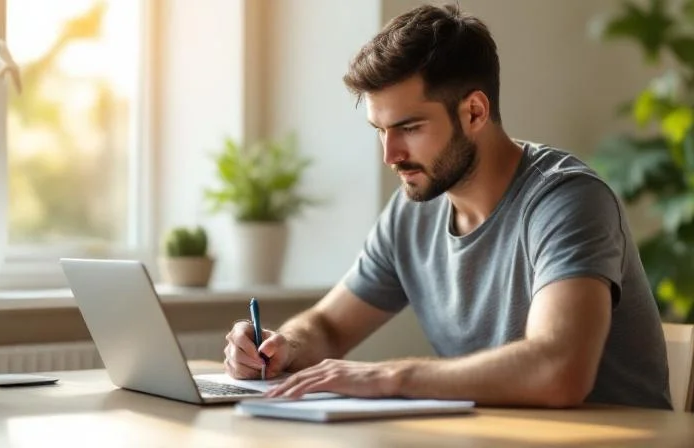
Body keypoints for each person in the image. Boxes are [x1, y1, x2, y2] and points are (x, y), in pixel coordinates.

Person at [224, 3, 672, 409]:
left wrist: (387, 376)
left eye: (409, 127)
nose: (390, 154)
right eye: (379, 130)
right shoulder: (413, 209)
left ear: (475, 112)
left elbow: (559, 371)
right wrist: (282, 346)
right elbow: (329, 326)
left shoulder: (567, 199)